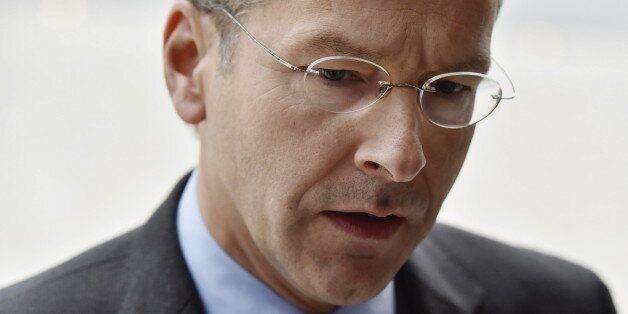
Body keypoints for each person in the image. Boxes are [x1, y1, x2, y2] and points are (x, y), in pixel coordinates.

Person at [0, 0, 617, 313]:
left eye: (450, 87)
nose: (401, 156)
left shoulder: (562, 303)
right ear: (191, 66)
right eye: (336, 75)